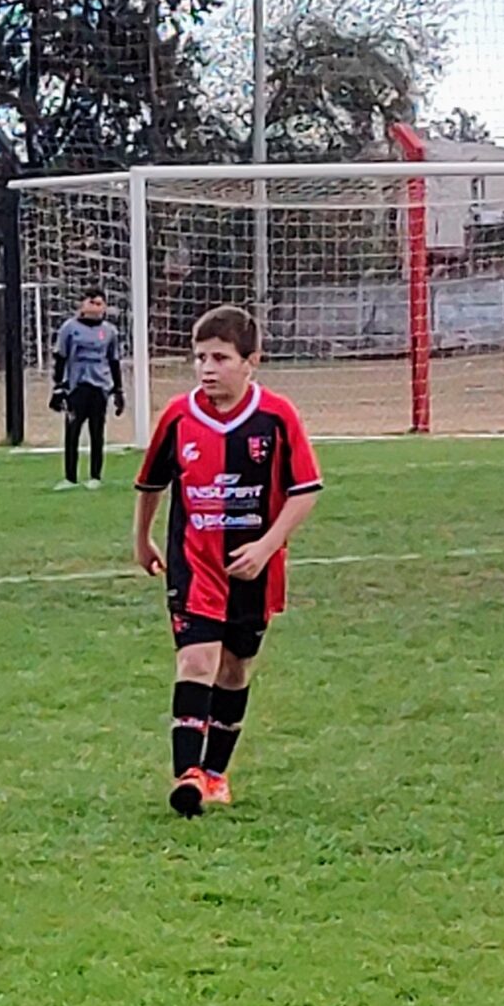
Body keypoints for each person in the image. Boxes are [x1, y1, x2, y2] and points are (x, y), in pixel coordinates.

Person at [133, 304, 323, 818]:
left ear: (250, 361)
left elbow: (305, 490)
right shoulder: (178, 416)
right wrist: (142, 539)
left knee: (235, 669)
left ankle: (215, 773)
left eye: (220, 358)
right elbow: (151, 483)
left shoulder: (276, 416)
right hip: (194, 564)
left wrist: (266, 546)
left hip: (253, 571)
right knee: (197, 660)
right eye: (200, 358)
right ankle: (187, 776)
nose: (207, 368)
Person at [50, 289, 125, 490]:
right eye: (91, 302)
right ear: (82, 305)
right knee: (72, 430)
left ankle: (95, 476)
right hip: (76, 386)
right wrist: (58, 387)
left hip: (100, 387)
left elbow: (114, 361)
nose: (95, 307)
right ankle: (70, 477)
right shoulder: (69, 328)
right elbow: (60, 357)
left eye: (100, 303)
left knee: (97, 431)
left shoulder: (109, 331)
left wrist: (118, 390)